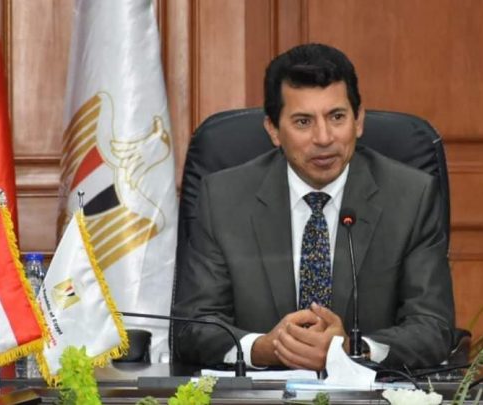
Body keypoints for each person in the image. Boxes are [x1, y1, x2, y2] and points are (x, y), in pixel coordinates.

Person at [172, 43, 454, 370]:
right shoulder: (222, 199)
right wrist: (264, 348)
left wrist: (351, 349)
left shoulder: (411, 198)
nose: (323, 138)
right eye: (303, 122)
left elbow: (433, 328)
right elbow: (195, 326)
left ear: (359, 121)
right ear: (273, 130)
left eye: (337, 117)